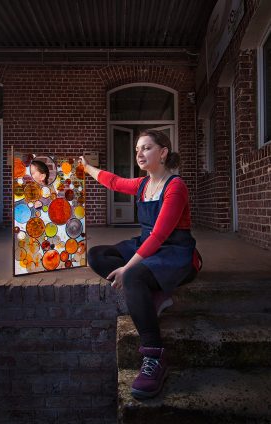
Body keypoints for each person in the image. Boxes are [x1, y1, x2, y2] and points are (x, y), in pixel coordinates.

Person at [80, 129, 202, 400]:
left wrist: (128, 269)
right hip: (147, 246)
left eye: (146, 148)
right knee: (97, 256)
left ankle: (154, 357)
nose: (139, 153)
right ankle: (156, 295)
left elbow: (160, 235)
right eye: (137, 149)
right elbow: (114, 182)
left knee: (132, 276)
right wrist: (87, 168)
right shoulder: (143, 185)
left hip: (174, 251)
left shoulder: (176, 187)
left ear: (163, 152)